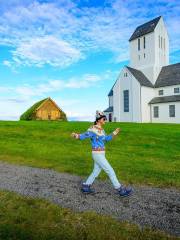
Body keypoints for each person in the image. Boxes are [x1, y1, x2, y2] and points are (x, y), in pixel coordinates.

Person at [71, 110, 133, 197]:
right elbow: (83, 136)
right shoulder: (92, 129)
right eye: (104, 118)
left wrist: (115, 132)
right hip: (97, 154)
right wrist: (76, 135)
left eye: (105, 118)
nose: (105, 120)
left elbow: (106, 139)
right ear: (98, 119)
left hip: (101, 154)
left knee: (95, 171)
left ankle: (86, 186)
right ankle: (120, 190)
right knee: (110, 170)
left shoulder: (102, 130)